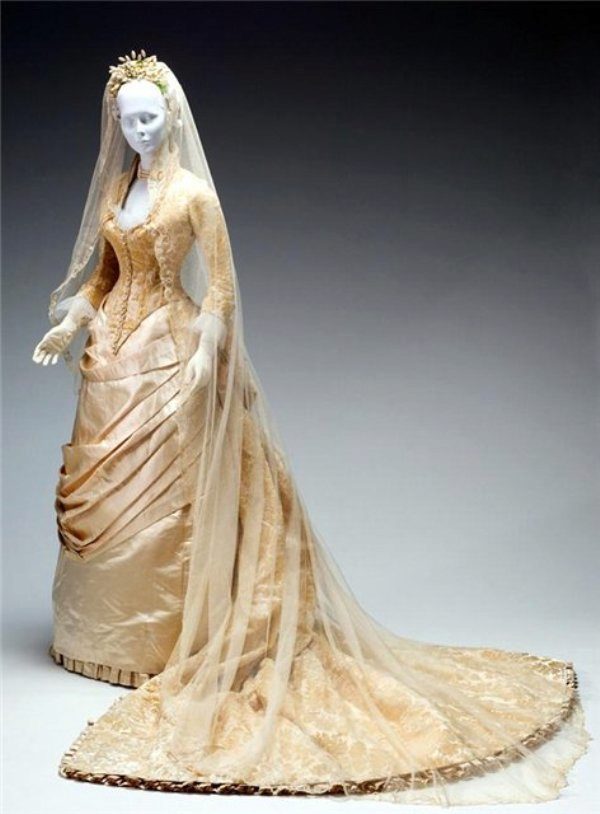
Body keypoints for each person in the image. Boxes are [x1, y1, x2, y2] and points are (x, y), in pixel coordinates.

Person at [33, 50, 589, 803]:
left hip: (173, 353)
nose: (137, 132)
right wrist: (71, 321)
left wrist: (204, 354)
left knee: (176, 498)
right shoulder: (116, 189)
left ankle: (174, 640)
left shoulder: (193, 194)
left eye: (149, 117)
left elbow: (222, 291)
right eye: (126, 120)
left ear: (172, 115)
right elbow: (105, 276)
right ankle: (105, 639)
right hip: (115, 357)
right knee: (112, 494)